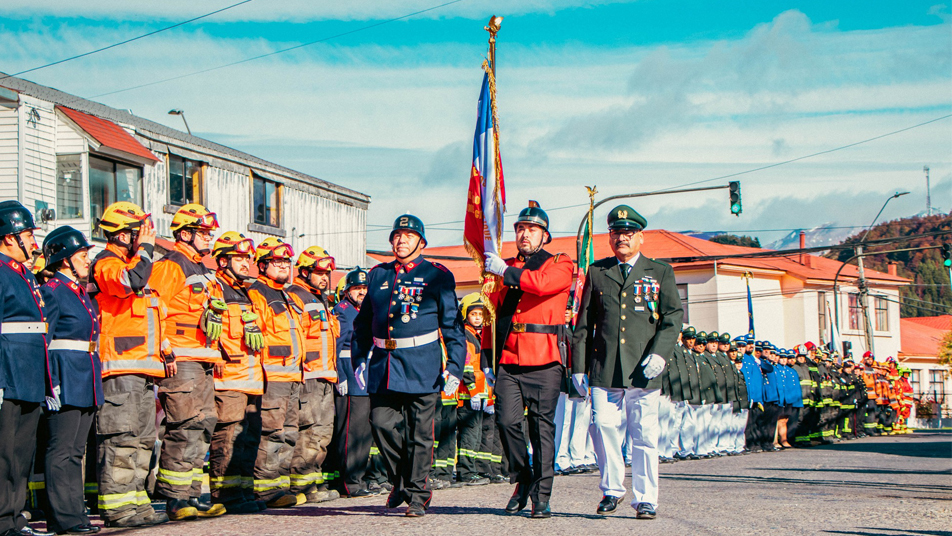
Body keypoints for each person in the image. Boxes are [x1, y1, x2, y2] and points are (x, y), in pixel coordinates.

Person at [350, 214, 466, 518]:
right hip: (384, 364)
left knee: (420, 433)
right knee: (380, 423)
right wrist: (359, 358)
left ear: (421, 242)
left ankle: (417, 493)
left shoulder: (437, 275)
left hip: (422, 365)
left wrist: (454, 366)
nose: (401, 240)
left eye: (409, 236)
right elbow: (363, 324)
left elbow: (452, 326)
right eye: (397, 236)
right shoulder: (377, 274)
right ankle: (400, 480)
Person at [572, 205, 683, 519]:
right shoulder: (597, 272)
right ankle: (611, 490)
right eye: (616, 233)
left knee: (644, 434)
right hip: (604, 367)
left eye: (628, 233)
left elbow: (673, 318)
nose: (621, 238)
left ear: (641, 237)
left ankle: (646, 498)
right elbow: (583, 324)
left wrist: (660, 353)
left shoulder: (659, 272)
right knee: (602, 425)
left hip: (642, 368)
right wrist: (578, 368)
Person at [482, 202, 574, 519]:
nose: (524, 233)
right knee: (506, 423)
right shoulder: (503, 266)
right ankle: (522, 479)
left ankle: (541, 496)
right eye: (520, 228)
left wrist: (504, 272)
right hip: (508, 357)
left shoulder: (560, 263)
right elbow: (496, 313)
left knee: (540, 430)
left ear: (545, 236)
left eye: (532, 229)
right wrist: (485, 353)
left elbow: (543, 285)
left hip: (545, 358)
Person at [88, 202, 168, 528]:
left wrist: (165, 352)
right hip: (118, 368)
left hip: (142, 370)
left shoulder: (137, 264)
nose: (144, 236)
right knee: (121, 438)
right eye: (139, 232)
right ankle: (118, 508)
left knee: (143, 438)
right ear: (123, 234)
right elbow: (129, 282)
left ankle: (137, 503)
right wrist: (146, 250)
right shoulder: (106, 263)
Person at [150, 204, 226, 521]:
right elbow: (156, 308)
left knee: (203, 425)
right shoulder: (170, 266)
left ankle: (192, 495)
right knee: (184, 427)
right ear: (184, 234)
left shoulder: (201, 269)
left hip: (203, 358)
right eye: (204, 232)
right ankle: (174, 499)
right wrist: (164, 347)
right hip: (181, 358)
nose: (209, 237)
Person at [39, 226, 102, 535]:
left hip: (85, 375)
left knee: (76, 451)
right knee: (61, 450)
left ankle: (75, 513)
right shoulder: (52, 290)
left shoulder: (77, 291)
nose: (87, 260)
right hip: (65, 376)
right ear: (64, 260)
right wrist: (51, 384)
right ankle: (64, 518)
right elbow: (45, 340)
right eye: (81, 255)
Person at [0, 201, 55, 536]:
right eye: (28, 234)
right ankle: (2, 520)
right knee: (4, 455)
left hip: (29, 372)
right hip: (7, 372)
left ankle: (14, 518)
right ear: (8, 238)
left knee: (21, 455)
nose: (34, 242)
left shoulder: (23, 274)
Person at [207, 232, 266, 514]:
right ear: (222, 261)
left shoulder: (247, 291)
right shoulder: (215, 288)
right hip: (228, 376)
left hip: (252, 378)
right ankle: (225, 494)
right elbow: (208, 329)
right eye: (240, 258)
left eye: (248, 258)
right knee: (227, 437)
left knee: (248, 438)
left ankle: (243, 490)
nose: (247, 263)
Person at [248, 238, 306, 508]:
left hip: (293, 376)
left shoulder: (290, 296)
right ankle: (266, 490)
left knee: (289, 434)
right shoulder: (256, 294)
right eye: (277, 262)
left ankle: (280, 486)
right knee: (271, 433)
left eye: (286, 262)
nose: (284, 266)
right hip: (272, 377)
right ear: (262, 265)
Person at [287, 246, 340, 503]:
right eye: (319, 272)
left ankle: (314, 481)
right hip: (308, 376)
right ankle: (301, 486)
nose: (325, 277)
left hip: (325, 375)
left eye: (327, 273)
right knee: (307, 431)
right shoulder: (295, 296)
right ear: (305, 271)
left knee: (322, 434)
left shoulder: (320, 298)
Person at [329, 268, 378, 498]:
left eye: (365, 289)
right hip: (349, 377)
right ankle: (350, 482)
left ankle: (358, 477)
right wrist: (341, 376)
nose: (361, 292)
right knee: (350, 433)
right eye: (357, 288)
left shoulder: (366, 311)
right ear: (347, 291)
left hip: (366, 378)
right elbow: (335, 347)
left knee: (363, 433)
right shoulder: (342, 312)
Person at [455, 293, 489, 486]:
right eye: (474, 313)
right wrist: (473, 390)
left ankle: (471, 469)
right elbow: (467, 366)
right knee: (469, 434)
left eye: (481, 314)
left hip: (478, 394)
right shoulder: (466, 336)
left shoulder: (478, 336)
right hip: (468, 394)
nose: (477, 318)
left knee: (475, 435)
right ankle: (466, 472)